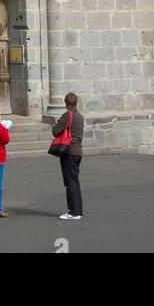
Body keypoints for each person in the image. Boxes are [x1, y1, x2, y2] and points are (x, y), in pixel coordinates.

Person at [52, 91, 84, 219]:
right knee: (75, 181)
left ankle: (74, 212)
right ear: (76, 102)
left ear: (66, 103)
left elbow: (55, 131)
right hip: (77, 151)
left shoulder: (67, 115)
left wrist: (59, 122)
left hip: (69, 151)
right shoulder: (80, 116)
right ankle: (77, 210)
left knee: (70, 182)